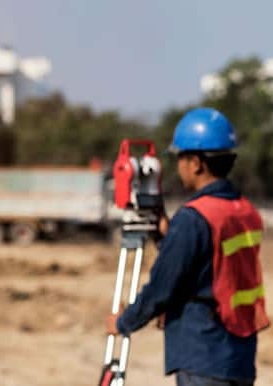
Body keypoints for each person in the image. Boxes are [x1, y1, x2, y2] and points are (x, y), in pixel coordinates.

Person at [106, 107, 268, 386]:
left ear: (195, 163)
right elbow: (210, 269)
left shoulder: (194, 219)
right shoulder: (244, 211)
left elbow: (162, 287)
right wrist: (169, 237)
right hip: (238, 357)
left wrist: (123, 323)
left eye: (180, 157)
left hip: (203, 356)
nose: (178, 166)